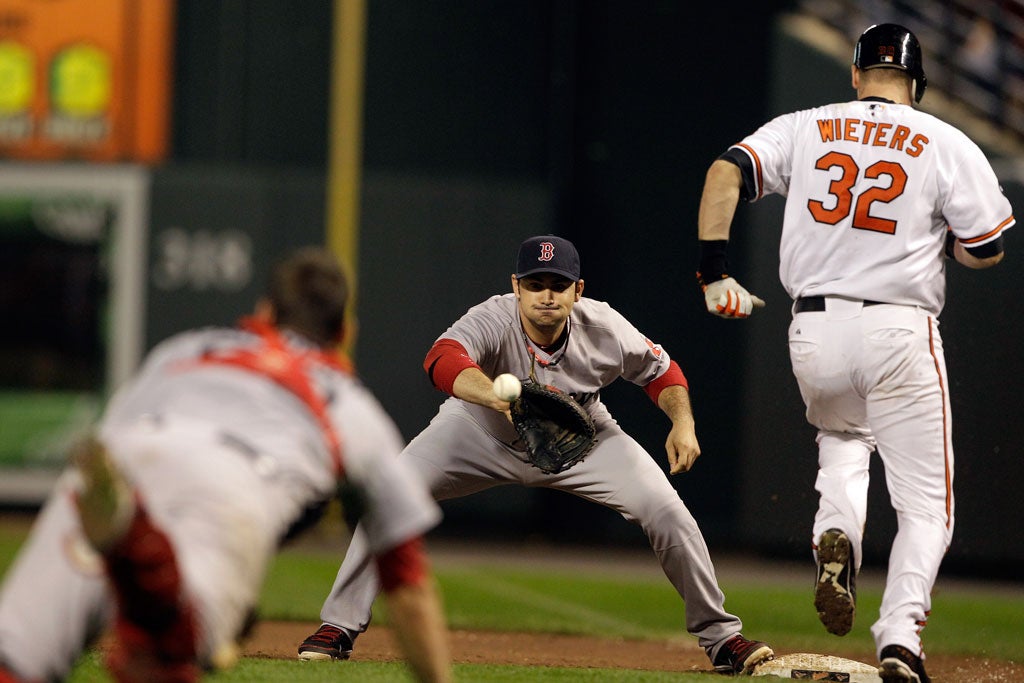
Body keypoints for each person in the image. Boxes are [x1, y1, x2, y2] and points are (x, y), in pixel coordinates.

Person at [295, 235, 774, 675]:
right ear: (516, 287)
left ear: (577, 290)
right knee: (386, 497)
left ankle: (722, 639)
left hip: (583, 438)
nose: (547, 295)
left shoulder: (604, 326)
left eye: (558, 285)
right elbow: (441, 358)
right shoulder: (492, 316)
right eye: (535, 284)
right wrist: (491, 396)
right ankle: (339, 625)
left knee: (668, 512)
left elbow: (662, 373)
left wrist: (683, 422)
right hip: (478, 432)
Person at [694, 23, 1013, 683]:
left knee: (842, 436)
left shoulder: (805, 125)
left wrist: (715, 270)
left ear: (855, 73)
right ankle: (899, 638)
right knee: (926, 505)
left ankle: (832, 538)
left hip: (813, 331)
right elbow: (986, 247)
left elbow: (727, 169)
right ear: (917, 81)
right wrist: (943, 240)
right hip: (898, 328)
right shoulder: (946, 140)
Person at [0, 247, 452, 683]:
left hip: (124, 459)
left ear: (263, 312)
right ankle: (143, 554)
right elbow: (406, 577)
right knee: (174, 650)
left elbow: (110, 435)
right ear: (344, 333)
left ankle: (131, 534)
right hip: (227, 480)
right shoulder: (348, 403)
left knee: (14, 659)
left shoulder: (184, 348)